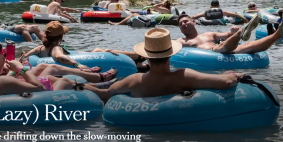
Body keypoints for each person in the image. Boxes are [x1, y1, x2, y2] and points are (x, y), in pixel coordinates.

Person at [80, 28, 249, 101]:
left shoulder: (132, 80)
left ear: (147, 57)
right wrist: (235, 74)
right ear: (171, 54)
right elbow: (225, 82)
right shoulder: (183, 76)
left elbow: (105, 94)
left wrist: (78, 86)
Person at [0, 40, 89, 97]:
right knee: (64, 81)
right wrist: (20, 68)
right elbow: (39, 88)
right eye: (3, 56)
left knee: (50, 78)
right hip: (42, 107)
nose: (5, 60)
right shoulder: (0, 82)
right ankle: (102, 91)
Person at [18, 21, 117, 80]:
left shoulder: (39, 48)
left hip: (43, 73)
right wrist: (78, 64)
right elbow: (59, 56)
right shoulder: (56, 48)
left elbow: (25, 57)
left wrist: (22, 58)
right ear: (61, 36)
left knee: (96, 50)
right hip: (59, 75)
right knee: (97, 50)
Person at [177, 13, 283, 54]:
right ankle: (244, 30)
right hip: (212, 52)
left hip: (222, 49)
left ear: (193, 22)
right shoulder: (181, 41)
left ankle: (279, 33)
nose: (183, 24)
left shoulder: (209, 34)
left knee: (246, 45)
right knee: (220, 47)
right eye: (180, 24)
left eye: (185, 21)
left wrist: (233, 30)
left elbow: (227, 34)